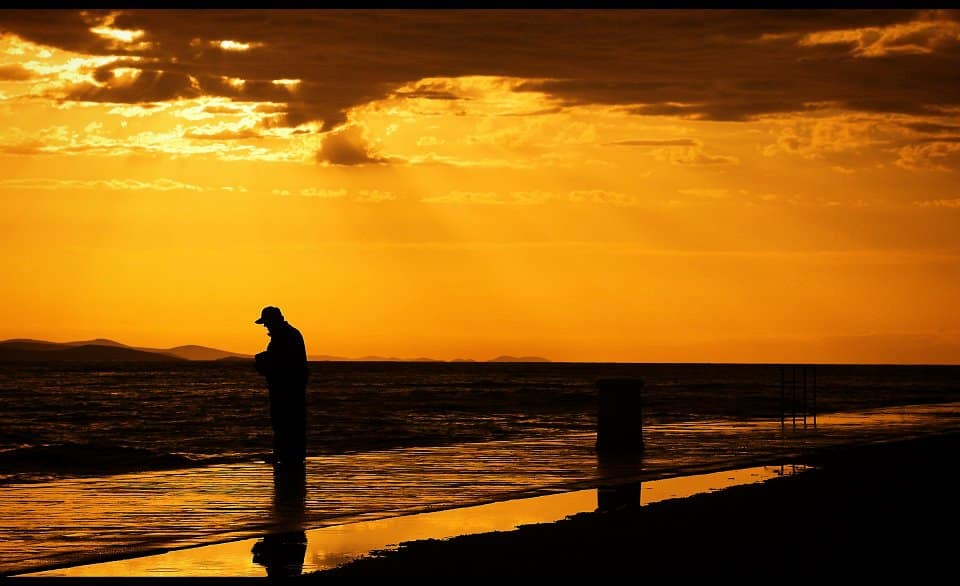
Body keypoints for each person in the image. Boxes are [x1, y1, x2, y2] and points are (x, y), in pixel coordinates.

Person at [254, 306, 309, 465]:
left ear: (273, 321)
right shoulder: (289, 334)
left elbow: (280, 363)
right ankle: (289, 456)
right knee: (291, 424)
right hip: (291, 389)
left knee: (284, 423)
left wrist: (261, 361)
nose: (265, 326)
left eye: (266, 322)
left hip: (286, 390)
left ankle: (286, 456)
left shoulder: (284, 337)